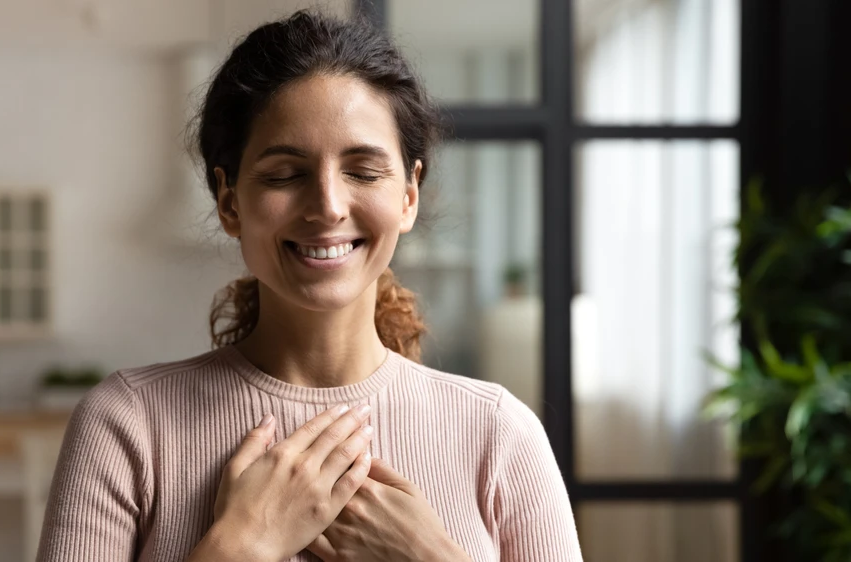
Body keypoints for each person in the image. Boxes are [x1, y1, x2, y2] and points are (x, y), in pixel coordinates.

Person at [37, 9, 582, 562]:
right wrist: (240, 545)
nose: (326, 205)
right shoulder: (127, 426)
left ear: (409, 196)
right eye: (284, 174)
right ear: (229, 201)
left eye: (363, 171)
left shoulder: (499, 434)